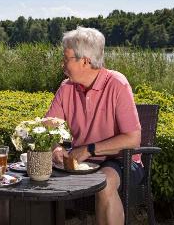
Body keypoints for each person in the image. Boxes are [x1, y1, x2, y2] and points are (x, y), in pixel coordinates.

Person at [45, 27, 143, 225]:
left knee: (104, 183)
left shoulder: (117, 84)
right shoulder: (66, 87)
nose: (62, 63)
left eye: (66, 58)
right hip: (80, 164)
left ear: (85, 61)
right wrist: (55, 146)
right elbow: (47, 128)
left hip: (121, 161)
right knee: (38, 180)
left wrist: (89, 150)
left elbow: (133, 139)